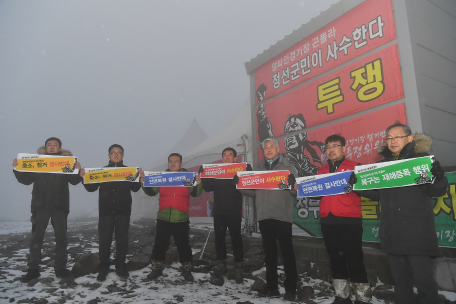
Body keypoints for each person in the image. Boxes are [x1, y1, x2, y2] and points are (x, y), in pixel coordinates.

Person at [360, 122, 447, 304]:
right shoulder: (382, 165)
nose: (392, 141)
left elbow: (436, 190)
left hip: (417, 235)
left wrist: (438, 177)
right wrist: (357, 186)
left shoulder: (421, 161)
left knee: (425, 285)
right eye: (389, 138)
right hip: (392, 234)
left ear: (409, 139)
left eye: (397, 137)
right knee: (401, 284)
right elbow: (377, 194)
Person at [299, 134, 371, 303]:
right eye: (328, 147)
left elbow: (372, 193)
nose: (330, 150)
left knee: (354, 260)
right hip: (327, 221)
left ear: (344, 148)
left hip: (349, 221)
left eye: (335, 146)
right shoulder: (321, 171)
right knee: (335, 259)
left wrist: (357, 184)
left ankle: (362, 298)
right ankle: (342, 296)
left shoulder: (356, 167)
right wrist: (302, 188)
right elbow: (316, 197)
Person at [234, 138, 298, 301]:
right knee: (270, 255)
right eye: (265, 147)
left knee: (287, 254)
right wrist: (240, 186)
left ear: (278, 149)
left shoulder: (288, 167)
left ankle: (291, 289)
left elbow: (295, 192)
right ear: (263, 150)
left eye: (271, 146)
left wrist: (293, 185)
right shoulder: (258, 168)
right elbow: (256, 192)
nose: (268, 149)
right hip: (264, 216)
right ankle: (272, 288)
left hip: (282, 217)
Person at [12, 137, 81, 282]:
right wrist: (17, 168)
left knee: (61, 239)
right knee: (36, 239)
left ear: (60, 148)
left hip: (59, 206)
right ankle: (33, 270)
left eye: (55, 145)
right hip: (40, 206)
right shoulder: (37, 162)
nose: (52, 147)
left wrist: (78, 171)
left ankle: (60, 268)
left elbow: (74, 181)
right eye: (49, 144)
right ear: (45, 147)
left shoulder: (66, 162)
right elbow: (26, 180)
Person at [79, 144, 142, 281]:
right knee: (104, 240)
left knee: (122, 240)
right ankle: (103, 267)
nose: (116, 154)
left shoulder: (129, 171)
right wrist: (83, 177)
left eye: (119, 152)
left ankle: (120, 266)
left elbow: (136, 188)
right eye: (113, 152)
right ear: (109, 155)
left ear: (123, 155)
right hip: (106, 212)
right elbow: (91, 188)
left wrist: (140, 178)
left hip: (123, 211)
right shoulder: (101, 171)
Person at [140, 153, 203, 282]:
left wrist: (199, 183)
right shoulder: (162, 177)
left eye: (176, 161)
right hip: (163, 217)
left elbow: (196, 193)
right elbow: (152, 192)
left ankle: (186, 269)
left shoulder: (188, 177)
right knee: (159, 245)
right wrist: (144, 183)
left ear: (181, 164)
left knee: (184, 246)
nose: (173, 163)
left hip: (181, 218)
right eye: (170, 161)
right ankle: (156, 268)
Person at [199, 147, 248, 285]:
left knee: (236, 238)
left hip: (234, 211)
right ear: (222, 158)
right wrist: (203, 174)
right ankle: (221, 263)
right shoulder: (216, 172)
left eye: (230, 155)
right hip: (219, 211)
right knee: (219, 238)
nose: (227, 157)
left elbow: (249, 184)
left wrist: (244, 174)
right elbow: (207, 187)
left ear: (235, 158)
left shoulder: (240, 170)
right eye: (224, 155)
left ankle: (238, 266)